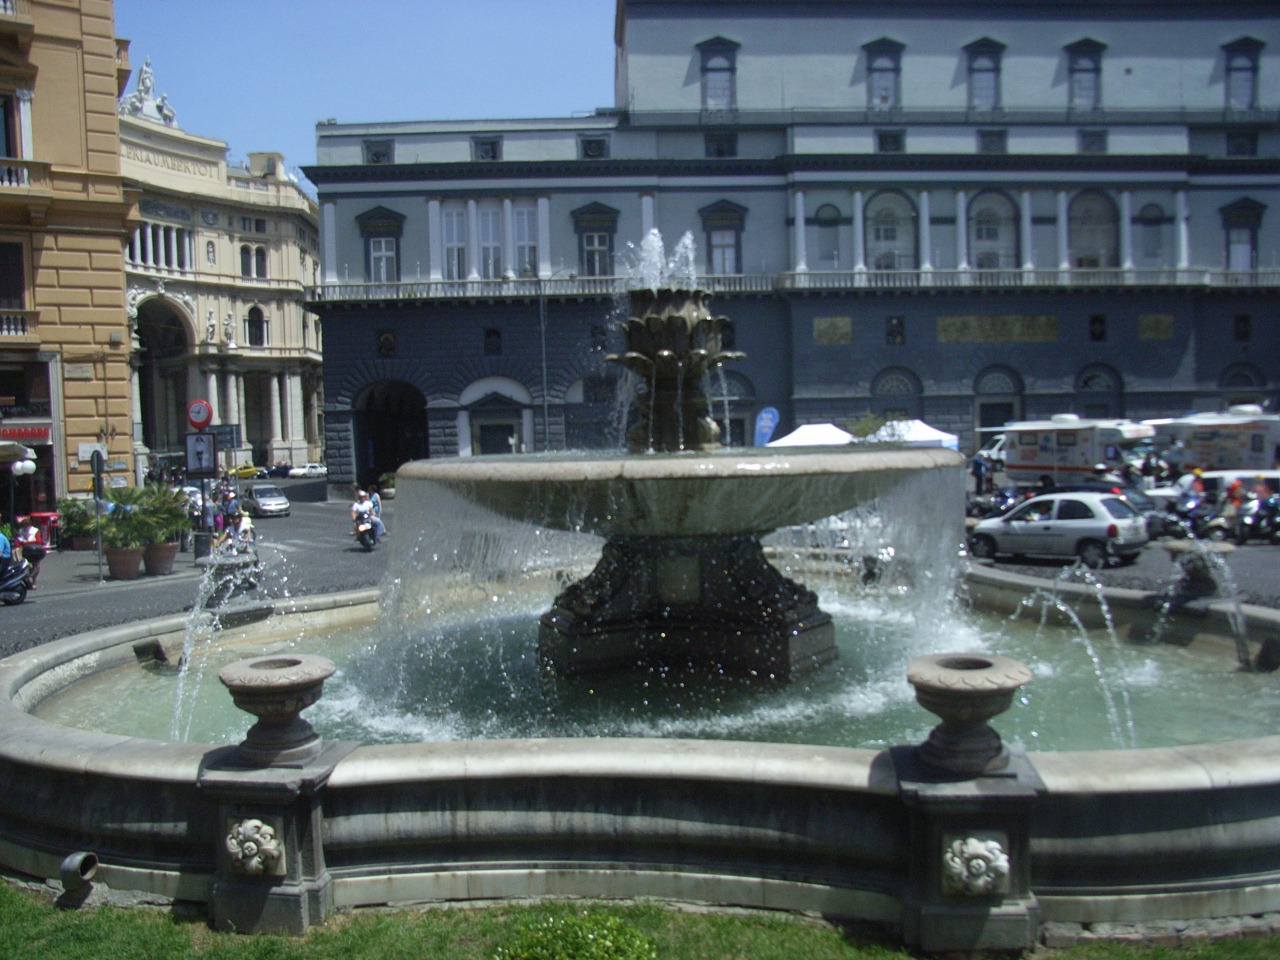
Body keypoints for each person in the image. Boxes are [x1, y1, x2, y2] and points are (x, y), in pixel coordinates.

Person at [13, 517, 44, 588]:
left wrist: (27, 542)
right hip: (25, 551)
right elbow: (17, 541)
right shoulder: (21, 531)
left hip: (34, 551)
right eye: (24, 525)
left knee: (35, 566)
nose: (25, 526)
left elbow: (38, 542)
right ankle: (28, 581)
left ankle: (34, 582)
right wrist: (18, 543)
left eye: (26, 525)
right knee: (25, 566)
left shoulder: (35, 531)